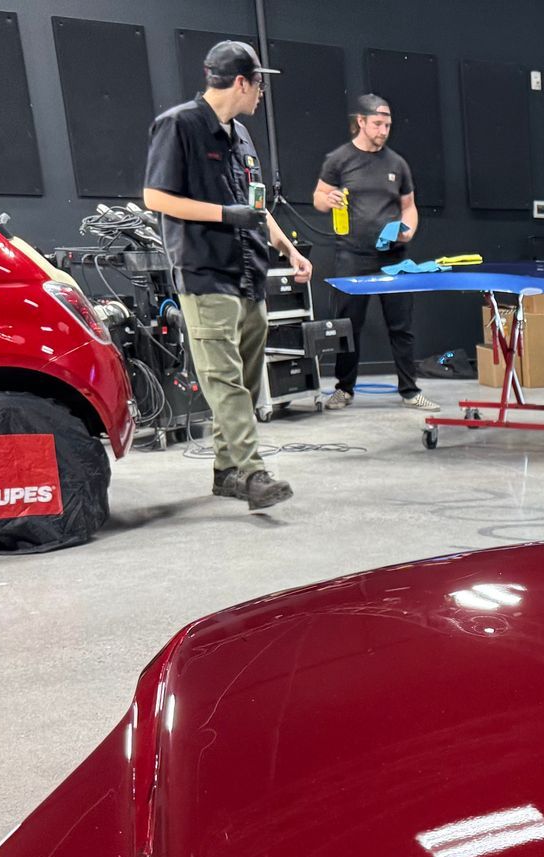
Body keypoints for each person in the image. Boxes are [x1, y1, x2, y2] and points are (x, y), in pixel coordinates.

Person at [142, 39, 304, 510]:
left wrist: (289, 248)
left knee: (246, 382)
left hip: (249, 273)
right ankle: (253, 474)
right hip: (205, 272)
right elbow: (155, 197)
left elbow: (255, 207)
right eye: (259, 85)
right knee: (225, 380)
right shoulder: (178, 126)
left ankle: (226, 472)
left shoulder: (242, 136)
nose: (261, 95)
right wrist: (222, 214)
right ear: (240, 82)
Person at [314, 95, 435, 411]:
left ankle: (410, 390)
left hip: (393, 258)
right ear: (361, 122)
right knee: (347, 324)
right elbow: (318, 197)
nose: (384, 130)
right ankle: (344, 389)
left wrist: (407, 229)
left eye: (388, 125)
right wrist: (329, 200)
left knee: (401, 325)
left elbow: (409, 207)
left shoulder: (397, 163)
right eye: (378, 124)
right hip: (352, 255)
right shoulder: (339, 159)